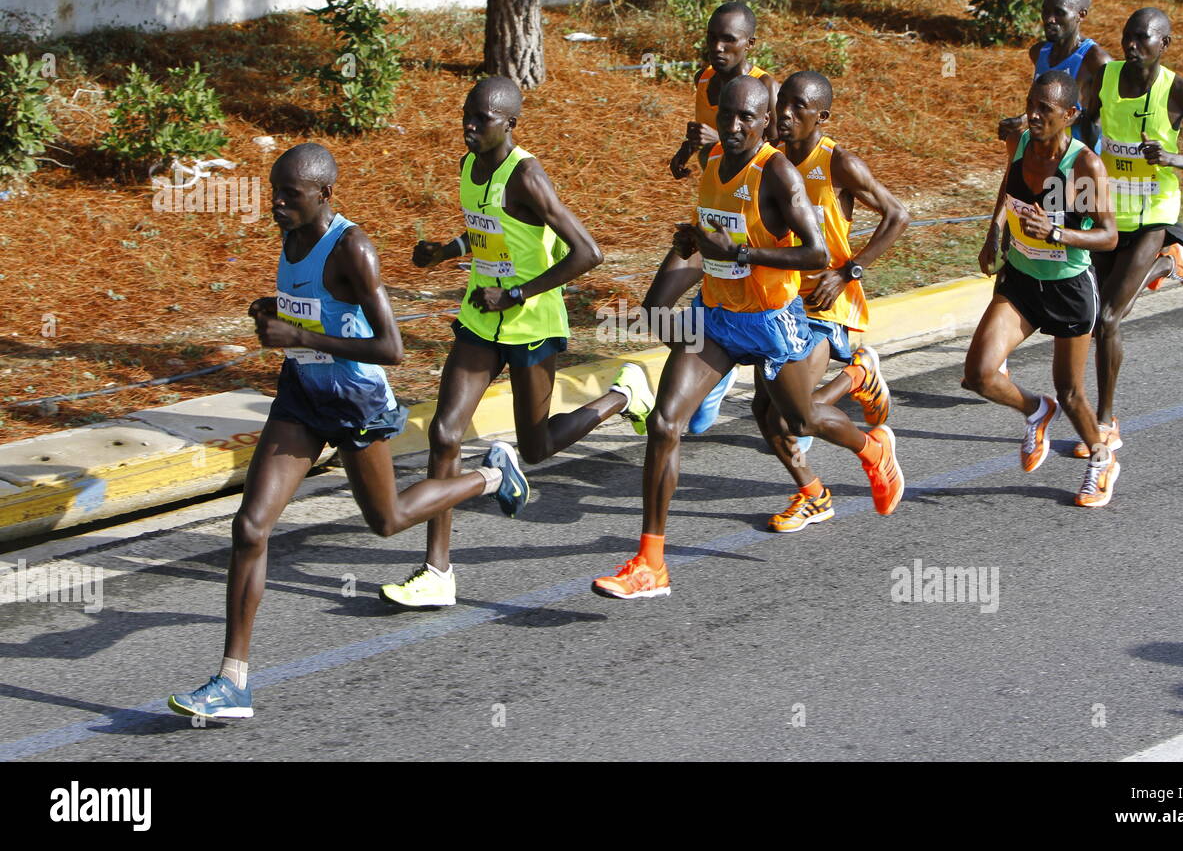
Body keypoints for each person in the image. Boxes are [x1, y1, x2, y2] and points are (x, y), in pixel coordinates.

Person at [168, 144, 527, 720]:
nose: (276, 204)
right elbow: (317, 308)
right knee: (250, 526)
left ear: (325, 195)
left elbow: (391, 348)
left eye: (290, 195)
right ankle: (233, 680)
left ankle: (490, 475)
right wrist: (279, 310)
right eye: (273, 192)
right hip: (302, 396)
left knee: (386, 521)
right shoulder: (291, 235)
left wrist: (301, 338)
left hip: (356, 398)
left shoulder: (353, 248)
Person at [592, 76, 905, 600]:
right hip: (715, 316)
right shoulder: (713, 163)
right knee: (667, 423)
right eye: (726, 116)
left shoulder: (778, 173)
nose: (734, 126)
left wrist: (740, 255)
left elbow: (814, 254)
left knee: (797, 419)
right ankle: (651, 563)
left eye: (746, 118)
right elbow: (718, 230)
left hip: (772, 321)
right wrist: (693, 242)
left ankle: (871, 445)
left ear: (764, 123)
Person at [382, 77, 655, 609]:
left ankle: (624, 396)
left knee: (536, 447)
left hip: (530, 321)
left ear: (510, 124)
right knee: (443, 432)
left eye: (482, 119)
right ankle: (438, 572)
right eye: (466, 114)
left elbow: (588, 252)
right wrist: (447, 250)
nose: (469, 125)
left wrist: (516, 293)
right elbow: (492, 228)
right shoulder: (469, 164)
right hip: (481, 319)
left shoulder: (527, 175)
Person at [760, 71, 911, 532]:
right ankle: (814, 495)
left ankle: (873, 448)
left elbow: (898, 215)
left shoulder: (838, 163)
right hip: (783, 302)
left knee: (796, 417)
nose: (784, 114)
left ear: (821, 117)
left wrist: (849, 271)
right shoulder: (771, 161)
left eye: (797, 107)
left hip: (829, 301)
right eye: (781, 103)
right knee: (766, 413)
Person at [964, 71, 1120, 507]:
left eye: (1044, 109)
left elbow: (1107, 236)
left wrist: (1057, 233)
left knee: (1071, 392)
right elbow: (1006, 189)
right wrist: (994, 232)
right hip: (1020, 281)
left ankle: (1102, 458)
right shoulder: (1020, 142)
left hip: (1068, 287)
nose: (1032, 114)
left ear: (1070, 115)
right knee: (978, 374)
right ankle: (1036, 409)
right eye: (1031, 103)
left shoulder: (1084, 165)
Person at [1074, 7, 1183, 456]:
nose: (1132, 46)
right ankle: (1169, 262)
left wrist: (1173, 158)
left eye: (1143, 39)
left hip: (1155, 212)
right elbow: (1082, 118)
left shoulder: (1179, 91)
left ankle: (1105, 422)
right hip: (1108, 211)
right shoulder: (1104, 76)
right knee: (1089, 318)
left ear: (1165, 44)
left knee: (1108, 320)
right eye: (1127, 38)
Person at [662, 1, 779, 434]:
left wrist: (717, 140)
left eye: (729, 39)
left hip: (755, 227)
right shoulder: (704, 79)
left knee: (753, 315)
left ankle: (729, 370)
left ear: (751, 42)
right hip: (712, 216)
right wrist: (686, 151)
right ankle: (719, 362)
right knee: (654, 307)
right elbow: (704, 129)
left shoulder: (766, 86)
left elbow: (781, 157)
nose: (717, 47)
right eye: (712, 36)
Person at [998, 0, 1112, 150]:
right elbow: (1045, 104)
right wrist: (1020, 122)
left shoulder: (1095, 60)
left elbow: (1100, 116)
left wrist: (1024, 121)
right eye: (1045, 11)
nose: (1049, 19)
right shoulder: (1039, 53)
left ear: (1081, 15)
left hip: (1077, 158)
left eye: (1059, 13)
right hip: (1045, 154)